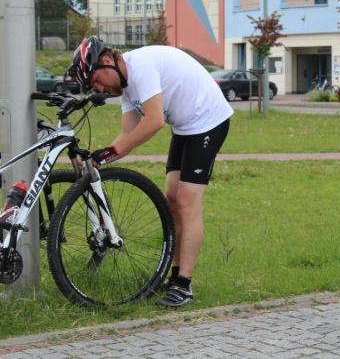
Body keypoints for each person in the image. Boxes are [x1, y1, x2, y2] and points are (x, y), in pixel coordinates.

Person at [69, 36, 234, 307]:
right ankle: (174, 276)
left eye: (96, 79)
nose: (98, 88)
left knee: (187, 202)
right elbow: (128, 132)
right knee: (172, 199)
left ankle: (184, 286)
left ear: (107, 61)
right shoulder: (125, 87)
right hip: (184, 126)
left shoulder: (140, 67)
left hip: (208, 121)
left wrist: (110, 153)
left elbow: (154, 120)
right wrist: (100, 157)